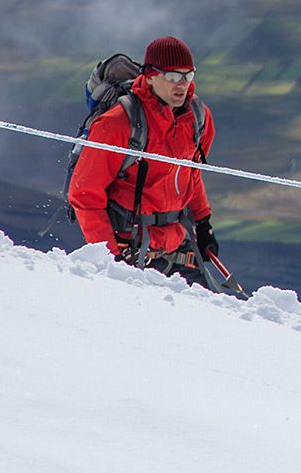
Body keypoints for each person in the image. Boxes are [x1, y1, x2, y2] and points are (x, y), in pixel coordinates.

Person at [68, 35, 218, 286]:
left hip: (177, 245)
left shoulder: (198, 117)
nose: (181, 84)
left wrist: (203, 221)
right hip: (130, 248)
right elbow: (84, 194)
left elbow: (190, 173)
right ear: (150, 76)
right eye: (172, 76)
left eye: (188, 75)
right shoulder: (117, 123)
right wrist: (110, 258)